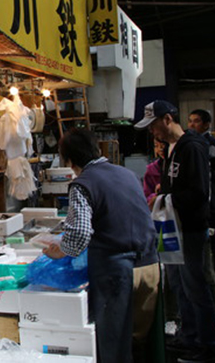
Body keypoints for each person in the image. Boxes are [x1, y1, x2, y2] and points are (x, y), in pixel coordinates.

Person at [43, 128, 158, 363]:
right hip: (150, 267)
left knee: (114, 345)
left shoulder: (82, 183)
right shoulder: (127, 174)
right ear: (96, 149)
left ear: (70, 160)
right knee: (142, 342)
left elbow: (81, 233)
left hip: (117, 272)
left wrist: (60, 251)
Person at [136, 101, 215, 363]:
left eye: (154, 125)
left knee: (196, 286)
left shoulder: (192, 147)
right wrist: (161, 195)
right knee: (179, 285)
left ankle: (206, 344)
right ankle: (189, 335)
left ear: (168, 119)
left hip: (190, 229)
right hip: (172, 227)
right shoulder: (172, 149)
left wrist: (162, 200)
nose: (152, 132)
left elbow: (199, 193)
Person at [143, 139, 166, 205]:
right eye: (156, 146)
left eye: (163, 145)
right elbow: (146, 196)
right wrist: (156, 195)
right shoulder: (151, 170)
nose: (160, 149)